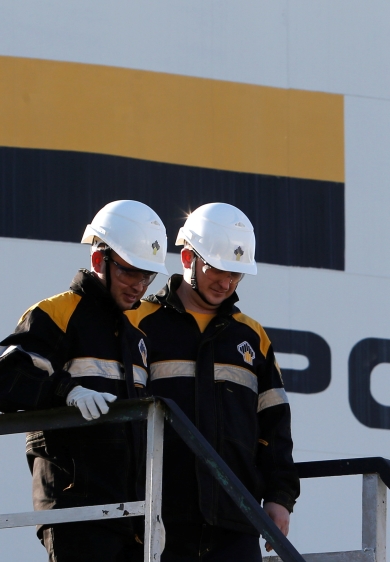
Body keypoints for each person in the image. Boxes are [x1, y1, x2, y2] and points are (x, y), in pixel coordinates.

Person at [0, 200, 169, 562]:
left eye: (148, 276)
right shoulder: (56, 313)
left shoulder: (137, 336)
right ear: (99, 261)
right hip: (74, 509)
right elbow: (1, 379)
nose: (139, 286)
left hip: (132, 517)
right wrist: (66, 391)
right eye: (130, 272)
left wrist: (155, 511)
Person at [127, 203, 298, 562]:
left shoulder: (252, 337)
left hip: (236, 519)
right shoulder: (139, 321)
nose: (227, 283)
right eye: (218, 270)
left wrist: (280, 498)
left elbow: (275, 425)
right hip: (157, 515)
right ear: (188, 257)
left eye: (236, 274)